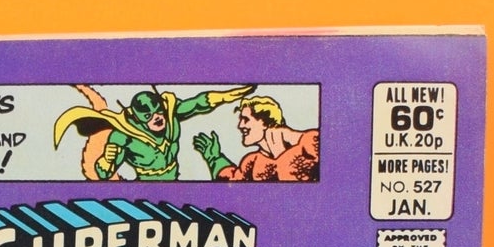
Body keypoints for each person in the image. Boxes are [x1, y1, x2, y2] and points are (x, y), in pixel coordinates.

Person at [55, 85, 254, 181]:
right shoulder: (123, 136)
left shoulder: (171, 115)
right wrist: (106, 161)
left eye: (158, 111)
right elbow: (103, 173)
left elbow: (198, 103)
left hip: (175, 186)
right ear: (136, 117)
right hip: (146, 193)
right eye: (148, 115)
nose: (157, 118)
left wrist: (224, 97)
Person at [195, 96, 320, 182]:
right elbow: (231, 180)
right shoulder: (252, 161)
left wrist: (291, 137)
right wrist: (215, 159)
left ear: (265, 122)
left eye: (246, 119)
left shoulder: (310, 142)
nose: (240, 126)